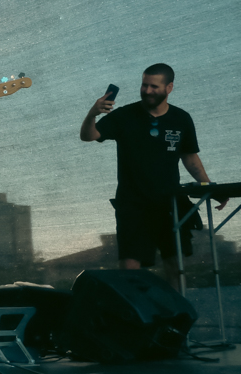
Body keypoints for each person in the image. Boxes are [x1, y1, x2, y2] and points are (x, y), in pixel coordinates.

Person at [80, 63, 228, 284]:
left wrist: (210, 188)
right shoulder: (125, 115)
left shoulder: (181, 118)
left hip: (170, 203)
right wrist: (93, 113)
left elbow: (190, 159)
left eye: (154, 86)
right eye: (144, 85)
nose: (147, 90)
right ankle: (135, 307)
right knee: (130, 268)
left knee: (175, 265)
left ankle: (176, 306)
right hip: (133, 203)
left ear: (169, 88)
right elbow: (88, 136)